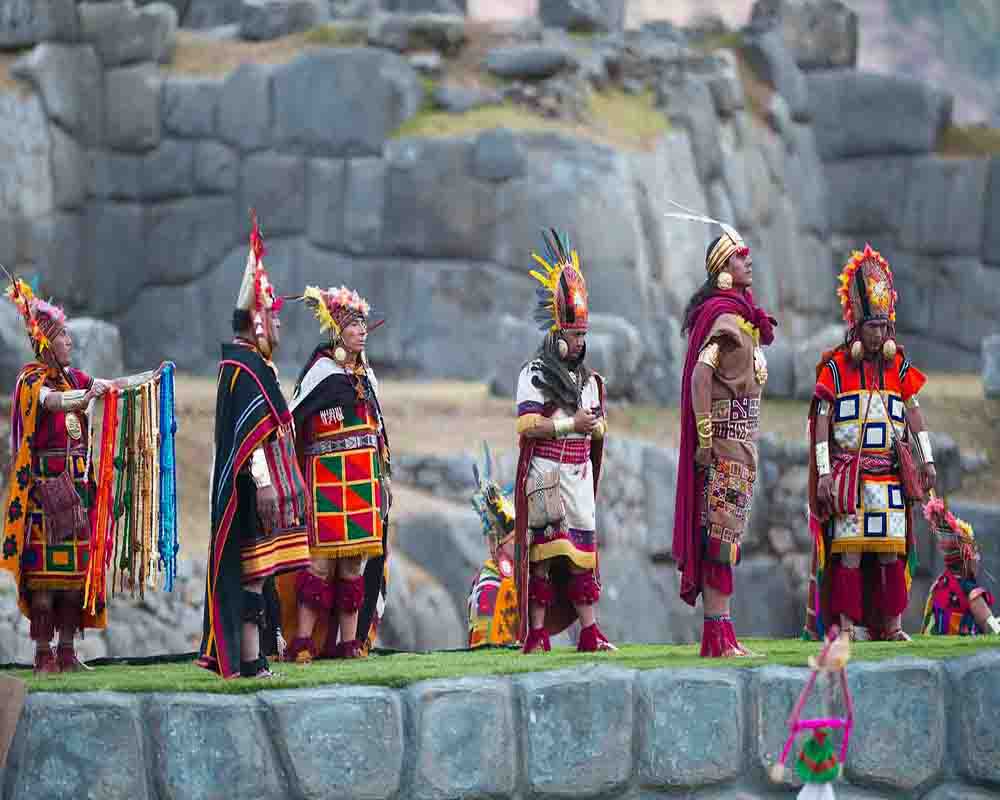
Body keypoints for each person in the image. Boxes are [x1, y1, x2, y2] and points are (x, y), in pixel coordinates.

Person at [197, 212, 311, 679]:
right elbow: (252, 439)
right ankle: (251, 662)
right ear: (258, 324)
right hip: (248, 492)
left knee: (258, 573)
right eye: (275, 321)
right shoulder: (244, 368)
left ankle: (255, 660)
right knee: (251, 572)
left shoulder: (249, 365)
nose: (281, 329)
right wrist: (265, 484)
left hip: (251, 490)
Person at [804, 244, 936, 642]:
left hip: (890, 478)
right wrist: (824, 472)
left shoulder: (899, 368)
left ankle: (890, 625)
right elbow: (822, 423)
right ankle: (845, 627)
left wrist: (926, 460)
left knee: (890, 550)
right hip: (850, 479)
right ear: (857, 325)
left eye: (884, 326)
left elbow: (914, 412)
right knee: (850, 551)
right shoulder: (836, 368)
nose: (879, 334)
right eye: (872, 326)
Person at [1, 277, 119, 674]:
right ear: (46, 343)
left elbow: (109, 388)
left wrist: (151, 381)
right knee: (45, 582)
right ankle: (42, 655)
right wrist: (86, 397)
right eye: (64, 336)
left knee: (73, 578)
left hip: (78, 490)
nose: (70, 341)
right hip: (46, 495)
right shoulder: (30, 382)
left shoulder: (75, 378)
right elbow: (53, 404)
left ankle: (67, 652)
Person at [669, 221, 776, 657]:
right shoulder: (726, 320)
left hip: (742, 444)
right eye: (739, 256)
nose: (748, 261)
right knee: (719, 541)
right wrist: (707, 439)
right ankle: (716, 637)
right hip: (726, 446)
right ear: (722, 270)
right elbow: (700, 376)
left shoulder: (739, 318)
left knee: (727, 538)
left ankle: (723, 635)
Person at [513, 229, 613, 654]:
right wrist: (569, 424)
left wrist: (595, 428)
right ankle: (536, 634)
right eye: (574, 336)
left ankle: (590, 632)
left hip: (578, 474)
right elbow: (526, 427)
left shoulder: (589, 380)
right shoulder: (534, 374)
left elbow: (601, 427)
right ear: (557, 334)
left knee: (582, 557)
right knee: (546, 557)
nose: (580, 342)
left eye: (583, 335)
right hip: (547, 475)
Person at [280, 285, 391, 662]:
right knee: (320, 564)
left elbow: (379, 432)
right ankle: (303, 642)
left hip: (363, 480)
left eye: (363, 325)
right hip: (325, 479)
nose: (362, 331)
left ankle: (348, 642)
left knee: (354, 564)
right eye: (355, 325)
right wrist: (293, 481)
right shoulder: (321, 374)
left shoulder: (368, 377)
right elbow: (290, 424)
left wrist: (384, 477)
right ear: (337, 331)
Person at [921, 496, 1000, 636]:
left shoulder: (938, 585)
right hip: (968, 657)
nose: (978, 559)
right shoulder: (972, 593)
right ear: (966, 559)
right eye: (975, 554)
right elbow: (993, 629)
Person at [467, 443, 518, 648]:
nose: (523, 547)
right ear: (495, 543)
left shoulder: (516, 578)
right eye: (515, 541)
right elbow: (485, 650)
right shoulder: (489, 587)